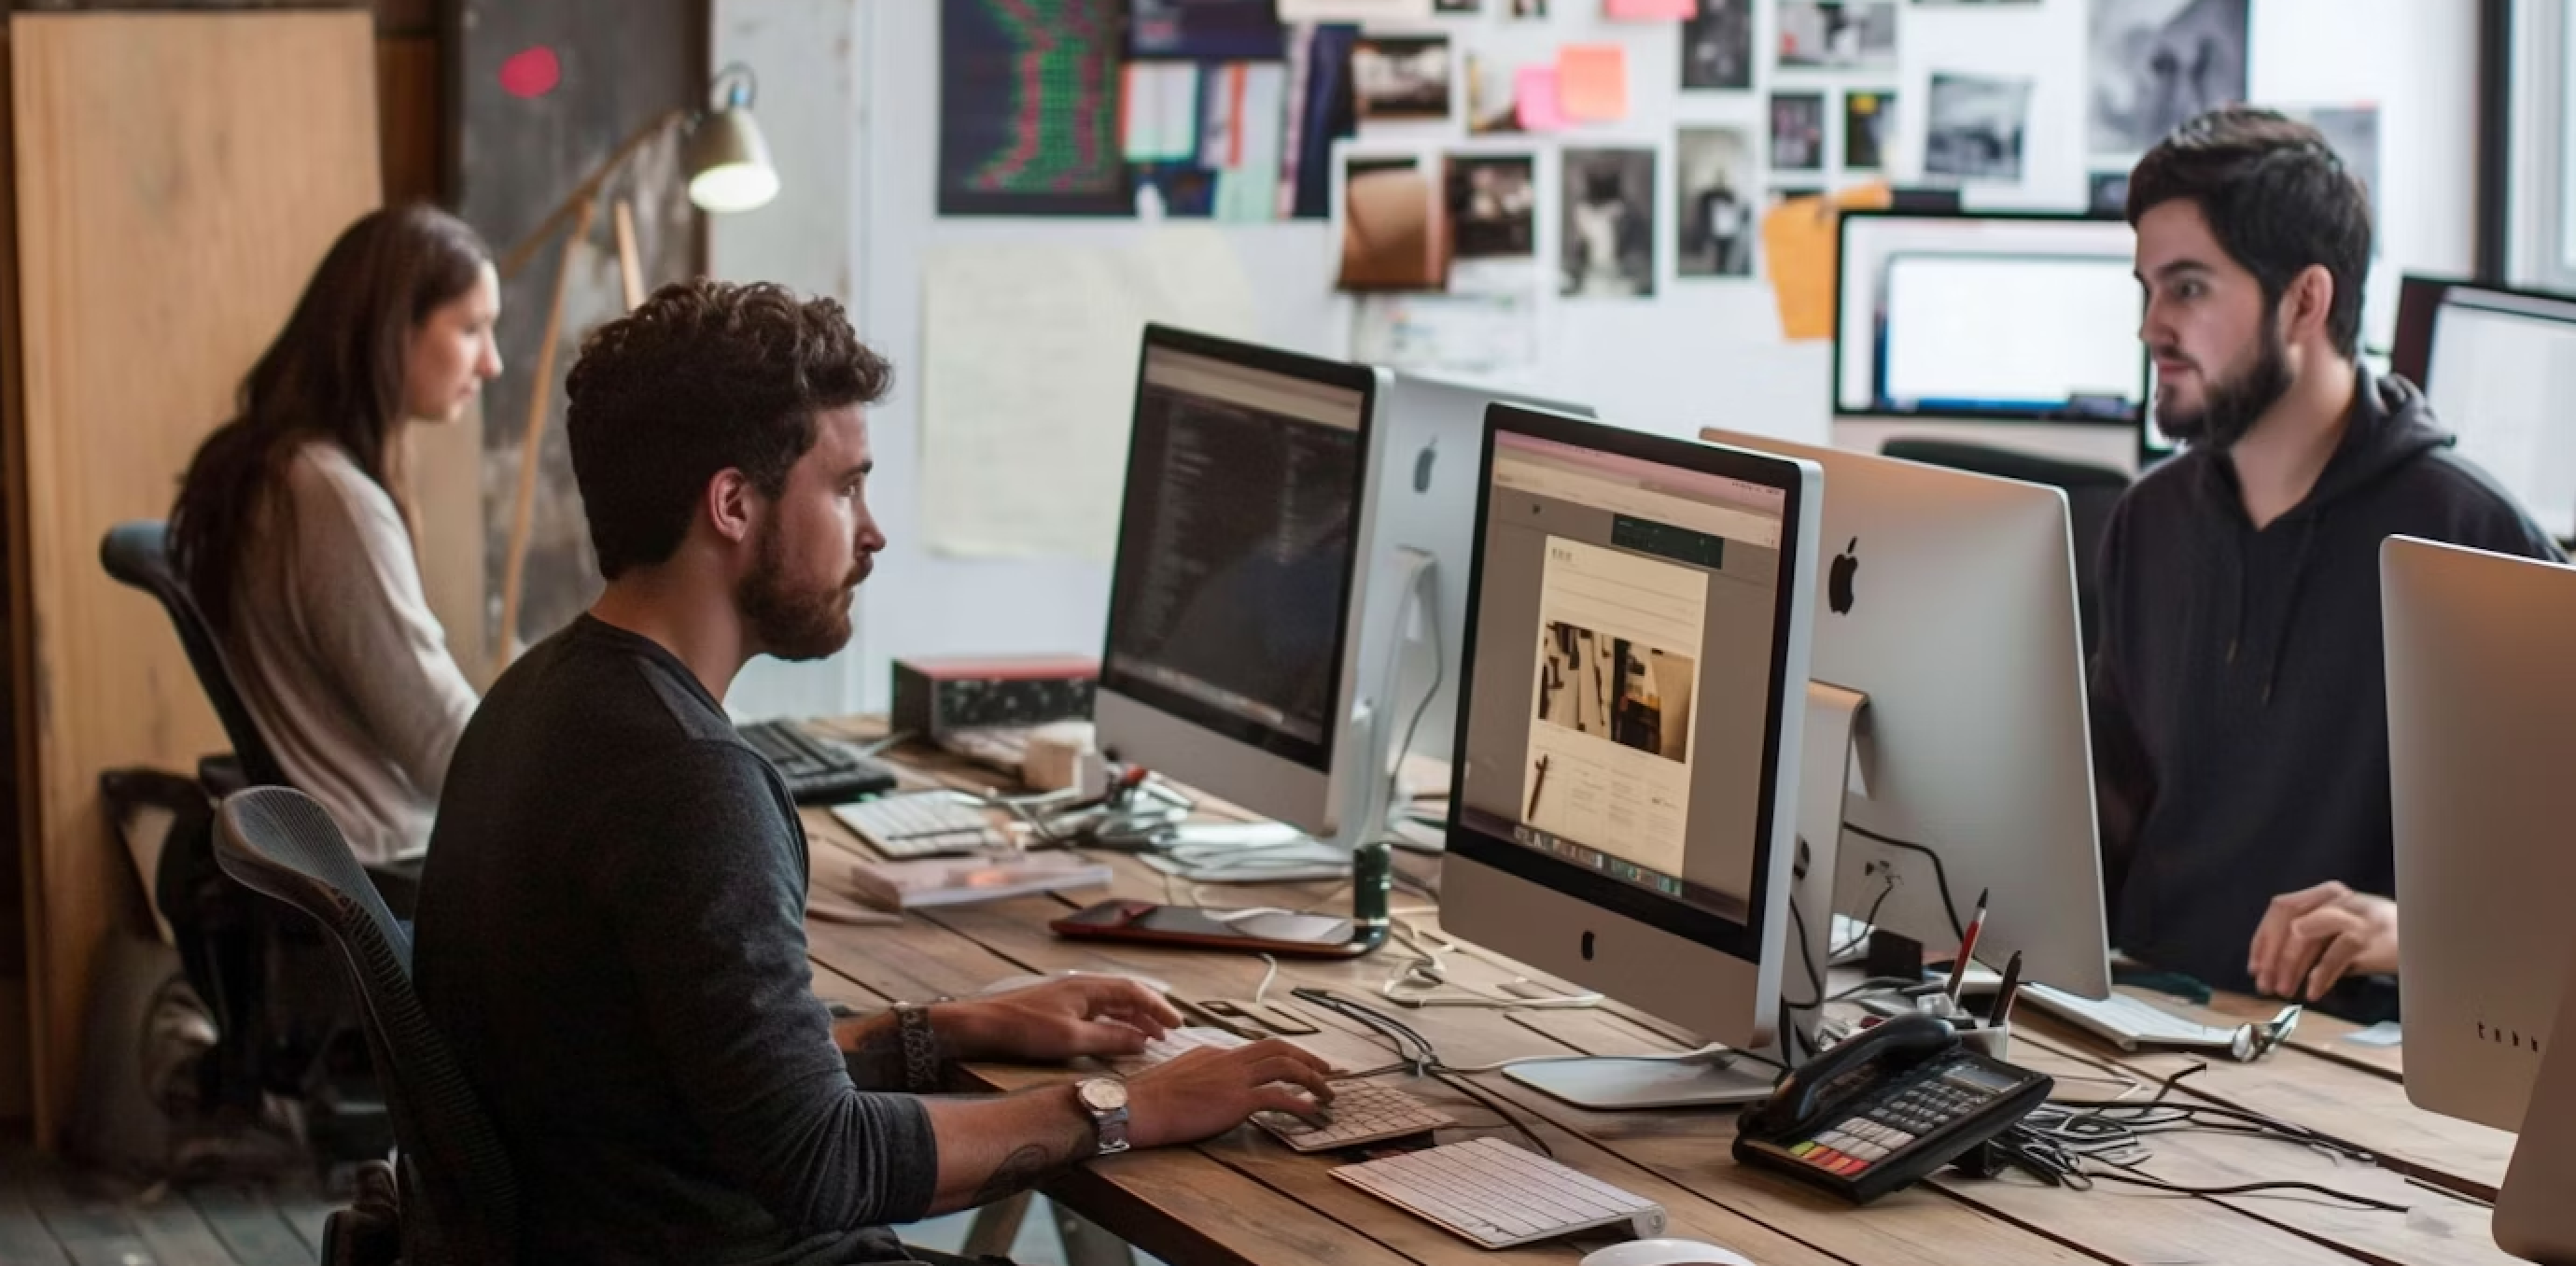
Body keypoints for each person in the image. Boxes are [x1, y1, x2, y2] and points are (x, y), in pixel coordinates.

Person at [413, 278, 1335, 1264]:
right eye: (846, 485)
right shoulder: (689, 786)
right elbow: (820, 1160)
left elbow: (711, 1068)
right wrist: (1125, 1104)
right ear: (733, 505)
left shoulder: (537, 702)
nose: (873, 529)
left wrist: (954, 1025)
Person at [2091, 106, 2563, 1019]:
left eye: (2188, 288)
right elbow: (2101, 818)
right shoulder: (2146, 522)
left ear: (2306, 300)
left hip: (2344, 1062)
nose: (2152, 325)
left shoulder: (2472, 538)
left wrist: (2411, 931)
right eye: (2146, 288)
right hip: (2136, 1020)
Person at [168, 204, 498, 868]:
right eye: (470, 329)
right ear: (391, 332)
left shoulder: (276, 470)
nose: (490, 363)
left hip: (354, 866)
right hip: (393, 871)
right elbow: (441, 745)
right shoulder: (330, 498)